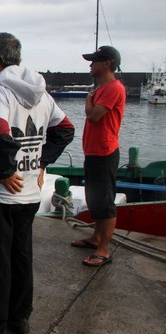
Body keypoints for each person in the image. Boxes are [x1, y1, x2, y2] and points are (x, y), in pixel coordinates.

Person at [0, 32, 74, 334]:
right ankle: (19, 318)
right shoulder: (40, 93)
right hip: (29, 195)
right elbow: (65, 129)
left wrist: (4, 169)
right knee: (22, 258)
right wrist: (41, 162)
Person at [70, 46, 126, 267]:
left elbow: (94, 117)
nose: (90, 65)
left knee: (105, 202)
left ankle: (103, 250)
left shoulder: (113, 88)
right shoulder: (101, 90)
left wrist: (88, 100)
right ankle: (95, 238)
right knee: (94, 198)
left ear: (107, 63)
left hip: (105, 152)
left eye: (94, 61)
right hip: (93, 152)